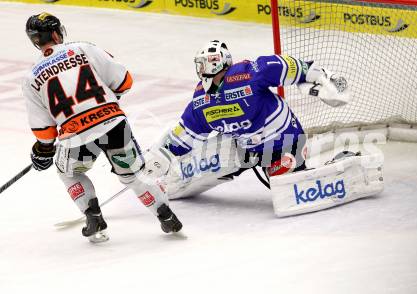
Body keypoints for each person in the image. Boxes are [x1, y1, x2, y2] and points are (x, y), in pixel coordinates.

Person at [22, 12, 182, 242]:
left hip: (76, 135)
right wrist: (107, 100)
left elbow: (44, 132)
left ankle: (93, 217)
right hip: (114, 124)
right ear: (57, 33)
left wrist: (43, 150)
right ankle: (166, 217)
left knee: (69, 172)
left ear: (35, 40)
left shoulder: (31, 77)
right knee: (133, 175)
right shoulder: (83, 48)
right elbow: (124, 81)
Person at [163, 40, 350, 181]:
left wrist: (317, 75)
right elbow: (186, 131)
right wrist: (163, 154)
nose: (200, 69)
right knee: (215, 156)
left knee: (283, 176)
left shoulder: (246, 74)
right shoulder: (201, 98)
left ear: (216, 62)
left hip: (284, 140)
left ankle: (335, 168)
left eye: (204, 63)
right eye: (199, 64)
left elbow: (280, 66)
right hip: (247, 148)